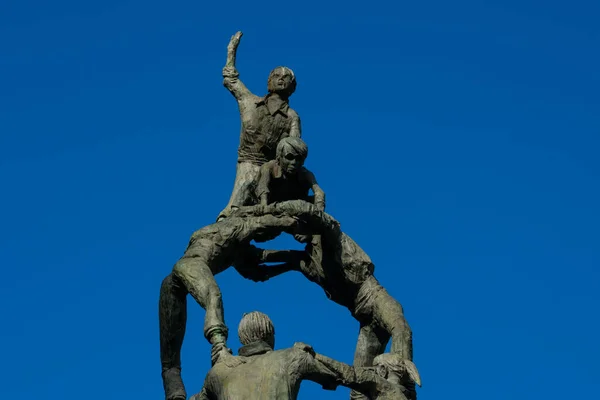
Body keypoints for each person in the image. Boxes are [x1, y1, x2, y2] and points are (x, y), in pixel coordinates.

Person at [230, 201, 419, 400]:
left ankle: (404, 392)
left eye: (298, 225)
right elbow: (265, 258)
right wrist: (239, 249)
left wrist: (262, 211)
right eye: (293, 230)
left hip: (375, 297)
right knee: (359, 392)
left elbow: (309, 211)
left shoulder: (329, 236)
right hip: (365, 319)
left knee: (401, 329)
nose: (296, 232)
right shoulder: (307, 261)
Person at [159, 214, 304, 400]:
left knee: (171, 363)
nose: (266, 239)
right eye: (268, 236)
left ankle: (174, 392)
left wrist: (295, 263)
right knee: (213, 294)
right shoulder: (239, 224)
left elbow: (259, 270)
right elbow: (271, 221)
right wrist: (299, 226)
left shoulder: (238, 251)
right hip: (188, 266)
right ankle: (219, 351)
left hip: (172, 286)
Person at [218, 31, 301, 219]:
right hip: (248, 163)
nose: (281, 78)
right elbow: (230, 80)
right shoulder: (249, 102)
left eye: (287, 77)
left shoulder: (291, 117)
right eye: (277, 75)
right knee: (245, 185)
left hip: (275, 170)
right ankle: (227, 218)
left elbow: (294, 148)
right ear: (268, 81)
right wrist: (231, 52)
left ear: (293, 87)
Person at [190, 312, 341, 400]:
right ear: (268, 335)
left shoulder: (217, 372)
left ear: (242, 337)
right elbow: (338, 374)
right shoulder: (291, 356)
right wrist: (309, 355)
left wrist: (218, 371)